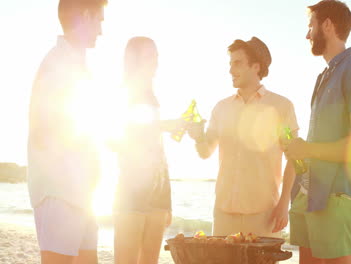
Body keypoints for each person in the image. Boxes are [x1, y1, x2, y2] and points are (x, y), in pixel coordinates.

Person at [285, 1, 351, 263]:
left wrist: (307, 149)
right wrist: (296, 150)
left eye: (311, 26)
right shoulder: (324, 76)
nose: (307, 35)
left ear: (327, 25)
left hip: (338, 195)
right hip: (310, 194)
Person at [187, 37, 298, 237]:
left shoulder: (282, 107)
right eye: (230, 64)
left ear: (256, 67)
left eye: (237, 63)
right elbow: (205, 152)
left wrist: (284, 203)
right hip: (223, 213)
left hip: (264, 215)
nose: (230, 70)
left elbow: (294, 156)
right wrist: (197, 137)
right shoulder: (221, 108)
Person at [27, 0, 106, 263]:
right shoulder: (57, 63)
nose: (101, 30)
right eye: (99, 20)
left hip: (81, 193)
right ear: (85, 15)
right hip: (58, 192)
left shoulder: (78, 64)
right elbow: (44, 130)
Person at [113, 37, 178, 264]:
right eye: (150, 55)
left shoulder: (152, 96)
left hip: (158, 190)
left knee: (150, 261)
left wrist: (167, 199)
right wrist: (167, 125)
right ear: (135, 60)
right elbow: (123, 137)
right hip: (132, 188)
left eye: (156, 55)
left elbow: (158, 150)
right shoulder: (124, 94)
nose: (156, 61)